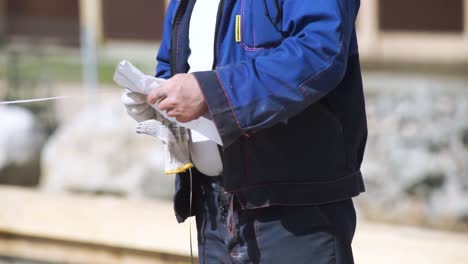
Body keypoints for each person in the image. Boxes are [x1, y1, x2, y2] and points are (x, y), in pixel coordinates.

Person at [125, 0, 367, 263]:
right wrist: (162, 102)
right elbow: (175, 63)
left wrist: (211, 93)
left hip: (293, 215)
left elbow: (319, 51)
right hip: (214, 210)